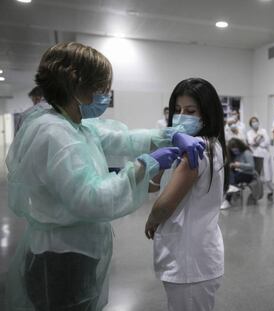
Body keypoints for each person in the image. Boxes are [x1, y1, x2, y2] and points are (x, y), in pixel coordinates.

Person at [5, 42, 205, 311]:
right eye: (101, 87)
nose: (106, 95)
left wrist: (168, 135)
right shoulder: (55, 133)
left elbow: (121, 139)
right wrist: (145, 166)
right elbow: (91, 199)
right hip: (61, 256)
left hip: (72, 251)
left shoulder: (72, 124)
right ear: (77, 84)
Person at [144, 78, 228, 311]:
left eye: (190, 111)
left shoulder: (196, 150)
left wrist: (152, 218)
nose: (181, 116)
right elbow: (152, 186)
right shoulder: (211, 144)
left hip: (190, 262)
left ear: (207, 114)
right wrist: (159, 161)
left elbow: (164, 204)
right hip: (196, 254)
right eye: (177, 110)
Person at [220, 138, 255, 210]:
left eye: (236, 149)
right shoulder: (234, 155)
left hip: (248, 174)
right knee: (229, 175)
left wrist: (239, 165)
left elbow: (251, 167)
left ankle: (227, 200)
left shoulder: (246, 153)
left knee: (232, 178)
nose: (235, 151)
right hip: (238, 173)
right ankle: (231, 188)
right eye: (233, 150)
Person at [246, 116, 273, 199]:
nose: (255, 123)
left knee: (267, 174)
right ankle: (256, 191)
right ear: (250, 124)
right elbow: (251, 142)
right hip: (255, 155)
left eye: (256, 121)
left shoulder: (263, 131)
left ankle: (270, 190)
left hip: (265, 154)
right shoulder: (249, 133)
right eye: (253, 122)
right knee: (256, 174)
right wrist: (259, 137)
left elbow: (267, 142)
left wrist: (258, 142)